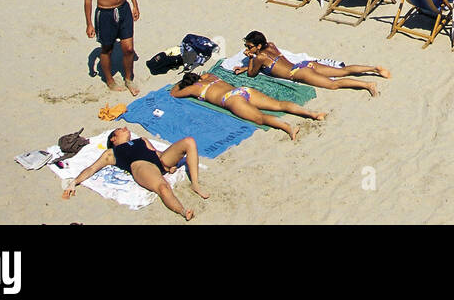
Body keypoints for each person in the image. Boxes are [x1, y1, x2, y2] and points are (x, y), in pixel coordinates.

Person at [63, 127, 207, 220]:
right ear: (113, 138)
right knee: (163, 187)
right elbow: (92, 168)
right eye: (120, 129)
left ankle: (195, 184)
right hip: (141, 166)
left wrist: (169, 165)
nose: (125, 128)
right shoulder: (111, 153)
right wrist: (74, 182)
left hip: (158, 160)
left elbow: (156, 152)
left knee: (189, 141)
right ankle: (183, 211)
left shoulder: (141, 140)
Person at [171, 72, 326, 140]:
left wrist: (180, 83)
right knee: (279, 105)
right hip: (243, 90)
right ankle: (313, 114)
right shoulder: (210, 76)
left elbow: (174, 93)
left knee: (260, 117)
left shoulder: (193, 88)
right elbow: (204, 75)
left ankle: (288, 128)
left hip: (230, 99)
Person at [236, 32, 390, 96]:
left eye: (249, 47)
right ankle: (374, 68)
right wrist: (247, 63)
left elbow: (252, 73)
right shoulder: (270, 45)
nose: (247, 49)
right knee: (341, 71)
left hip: (298, 73)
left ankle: (368, 84)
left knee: (333, 85)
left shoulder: (259, 57)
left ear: (257, 46)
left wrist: (250, 58)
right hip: (305, 65)